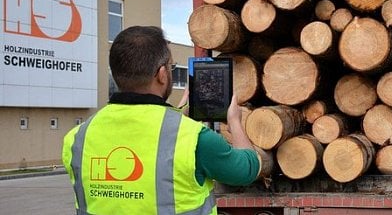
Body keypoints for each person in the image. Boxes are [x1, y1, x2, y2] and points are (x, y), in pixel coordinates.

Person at [62, 26, 260, 215]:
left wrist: (175, 114)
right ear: (162, 75)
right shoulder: (195, 140)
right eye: (171, 67)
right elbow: (247, 169)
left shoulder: (77, 139)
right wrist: (234, 121)